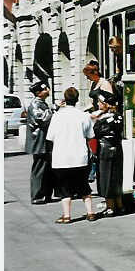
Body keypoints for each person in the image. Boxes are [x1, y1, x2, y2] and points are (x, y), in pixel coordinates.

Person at [46, 87, 96, 223]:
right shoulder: (83, 116)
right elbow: (90, 135)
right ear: (77, 99)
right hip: (80, 156)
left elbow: (50, 137)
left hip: (61, 157)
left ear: (64, 99)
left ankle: (67, 216)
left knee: (64, 188)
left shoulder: (57, 116)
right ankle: (90, 212)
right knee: (84, 186)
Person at [93, 90, 124, 216]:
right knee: (117, 177)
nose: (97, 104)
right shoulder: (119, 116)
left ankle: (110, 207)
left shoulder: (104, 119)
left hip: (105, 149)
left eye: (99, 102)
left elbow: (95, 132)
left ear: (105, 104)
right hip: (117, 148)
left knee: (106, 178)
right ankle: (120, 206)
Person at [24, 81, 54, 204]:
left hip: (45, 141)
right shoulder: (34, 105)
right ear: (38, 93)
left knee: (47, 168)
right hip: (39, 141)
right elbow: (42, 119)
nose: (48, 90)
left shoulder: (42, 103)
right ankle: (37, 195)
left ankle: (46, 193)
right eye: (45, 89)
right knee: (39, 168)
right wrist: (53, 110)